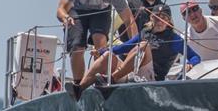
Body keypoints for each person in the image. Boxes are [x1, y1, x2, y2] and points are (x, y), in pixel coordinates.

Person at [70, 5, 200, 95]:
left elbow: (195, 57)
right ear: (151, 18)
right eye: (156, 17)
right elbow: (123, 48)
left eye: (164, 18)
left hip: (152, 80)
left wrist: (190, 64)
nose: (160, 21)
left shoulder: (174, 38)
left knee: (143, 46)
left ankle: (112, 79)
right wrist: (101, 51)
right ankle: (79, 89)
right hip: (133, 75)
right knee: (108, 55)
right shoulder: (144, 33)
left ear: (169, 21)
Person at [57, 0, 137, 87]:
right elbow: (60, 9)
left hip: (101, 11)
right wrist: (65, 17)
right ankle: (79, 84)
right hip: (77, 11)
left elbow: (128, 19)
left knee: (101, 45)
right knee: (77, 46)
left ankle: (101, 80)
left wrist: (135, 46)